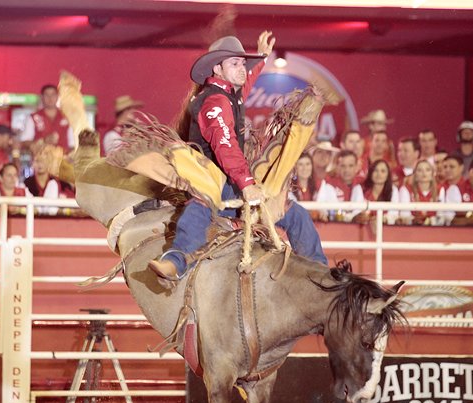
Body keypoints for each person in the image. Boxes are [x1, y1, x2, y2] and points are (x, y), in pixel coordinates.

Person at [148, 32, 327, 281]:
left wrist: (261, 57)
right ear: (217, 68)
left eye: (243, 63)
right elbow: (225, 145)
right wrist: (246, 183)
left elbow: (245, 83)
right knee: (202, 204)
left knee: (294, 213)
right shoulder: (214, 102)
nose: (243, 68)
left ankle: (320, 272)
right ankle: (176, 261)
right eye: (235, 63)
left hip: (228, 182)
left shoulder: (227, 94)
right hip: (210, 181)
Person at [20, 84, 75, 151]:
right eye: (46, 95)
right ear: (42, 97)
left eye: (53, 94)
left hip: (63, 156)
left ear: (58, 96)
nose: (50, 98)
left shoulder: (67, 117)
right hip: (41, 156)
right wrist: (44, 141)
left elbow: (73, 144)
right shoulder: (33, 117)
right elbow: (24, 143)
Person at [348, 159, 398, 225]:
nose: (379, 174)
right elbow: (356, 212)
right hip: (362, 226)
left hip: (386, 227)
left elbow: (393, 215)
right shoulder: (359, 188)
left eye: (383, 171)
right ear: (370, 173)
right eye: (375, 170)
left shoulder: (393, 190)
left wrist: (380, 219)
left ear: (388, 175)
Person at [399, 159, 447, 226]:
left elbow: (441, 215)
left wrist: (430, 222)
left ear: (432, 173)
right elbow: (404, 215)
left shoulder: (440, 190)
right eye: (419, 170)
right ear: (415, 174)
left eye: (427, 170)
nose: (424, 173)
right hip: (412, 228)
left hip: (434, 228)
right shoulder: (406, 190)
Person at [24, 147, 61, 216]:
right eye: (37, 161)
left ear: (49, 163)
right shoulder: (27, 183)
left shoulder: (56, 182)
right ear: (32, 162)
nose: (40, 164)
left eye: (43, 161)